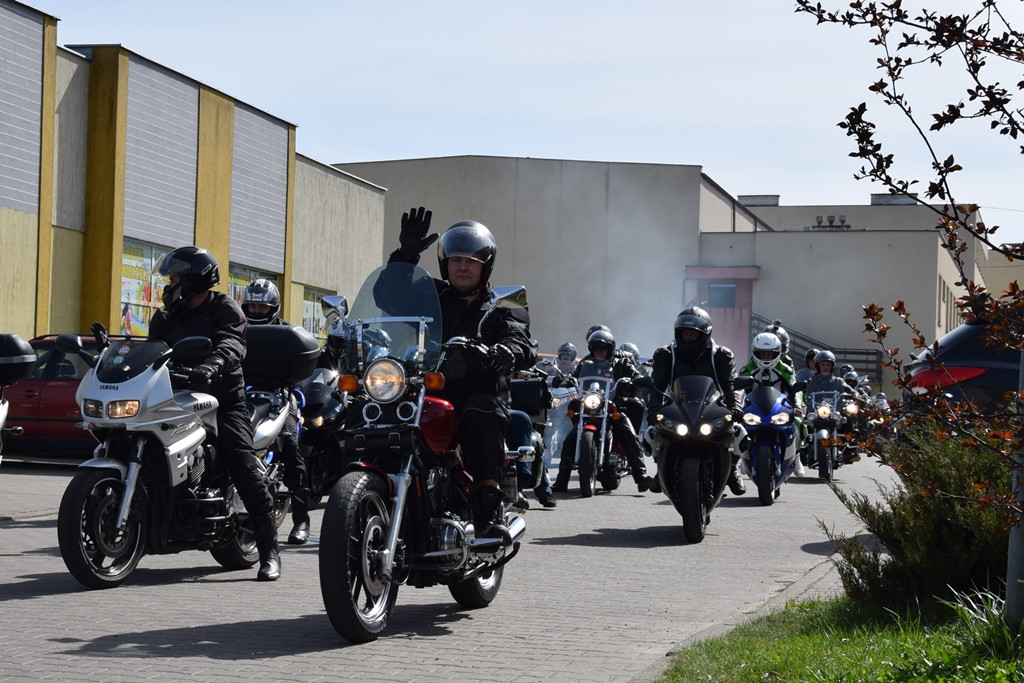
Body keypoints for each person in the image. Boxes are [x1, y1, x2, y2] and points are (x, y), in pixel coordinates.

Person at [389, 206, 535, 544]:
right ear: (445, 265)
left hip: (480, 390)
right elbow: (389, 298)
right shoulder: (433, 296)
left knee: (479, 412)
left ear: (485, 265)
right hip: (431, 387)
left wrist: (505, 352)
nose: (463, 266)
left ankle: (487, 513)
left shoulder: (504, 303)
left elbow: (520, 339)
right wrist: (406, 256)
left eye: (471, 260)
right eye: (456, 260)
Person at [149, 246, 281, 581]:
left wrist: (213, 364)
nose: (170, 284)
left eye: (175, 278)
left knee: (240, 459)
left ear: (194, 280)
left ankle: (269, 550)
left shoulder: (225, 308)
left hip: (222, 398)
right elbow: (151, 352)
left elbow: (232, 344)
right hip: (176, 396)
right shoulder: (166, 317)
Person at [646, 306, 747, 496]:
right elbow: (657, 385)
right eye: (684, 333)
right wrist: (653, 410)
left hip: (713, 404)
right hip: (677, 404)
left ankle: (732, 465)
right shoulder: (665, 354)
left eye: (692, 334)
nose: (687, 338)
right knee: (651, 433)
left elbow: (730, 384)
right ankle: (662, 467)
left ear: (704, 334)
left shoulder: (722, 355)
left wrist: (735, 408)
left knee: (740, 432)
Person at [241, 278, 312, 545]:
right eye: (253, 306)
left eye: (262, 307)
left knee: (291, 447)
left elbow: (303, 361)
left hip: (280, 397)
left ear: (274, 307)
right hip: (243, 396)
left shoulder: (286, 333)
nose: (257, 311)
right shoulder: (237, 330)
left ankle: (302, 521)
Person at [550, 328, 650, 494]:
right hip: (590, 405)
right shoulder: (586, 362)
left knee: (629, 434)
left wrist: (636, 378)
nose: (599, 352)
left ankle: (640, 476)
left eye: (602, 349)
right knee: (570, 439)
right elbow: (574, 374)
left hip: (613, 404)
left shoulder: (622, 360)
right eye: (596, 349)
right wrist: (565, 378)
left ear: (609, 349)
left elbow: (633, 372)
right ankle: (561, 481)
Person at [739, 332, 805, 477]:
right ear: (755, 352)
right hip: (753, 408)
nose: (766, 357)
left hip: (779, 407)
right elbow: (738, 390)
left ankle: (797, 456)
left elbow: (794, 389)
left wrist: (797, 406)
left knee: (799, 424)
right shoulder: (747, 370)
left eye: (770, 354)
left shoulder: (785, 370)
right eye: (762, 354)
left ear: (777, 353)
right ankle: (740, 459)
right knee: (735, 427)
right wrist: (736, 407)